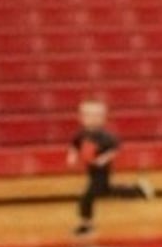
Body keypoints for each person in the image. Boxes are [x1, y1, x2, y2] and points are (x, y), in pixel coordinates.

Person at [65, 96, 153, 237]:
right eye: (88, 115)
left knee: (88, 197)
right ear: (81, 117)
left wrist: (103, 159)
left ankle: (86, 225)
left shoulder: (105, 136)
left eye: (97, 115)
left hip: (101, 172)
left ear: (103, 117)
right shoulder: (82, 134)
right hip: (91, 171)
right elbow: (74, 146)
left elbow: (115, 148)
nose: (92, 118)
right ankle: (138, 190)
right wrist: (72, 156)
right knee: (107, 191)